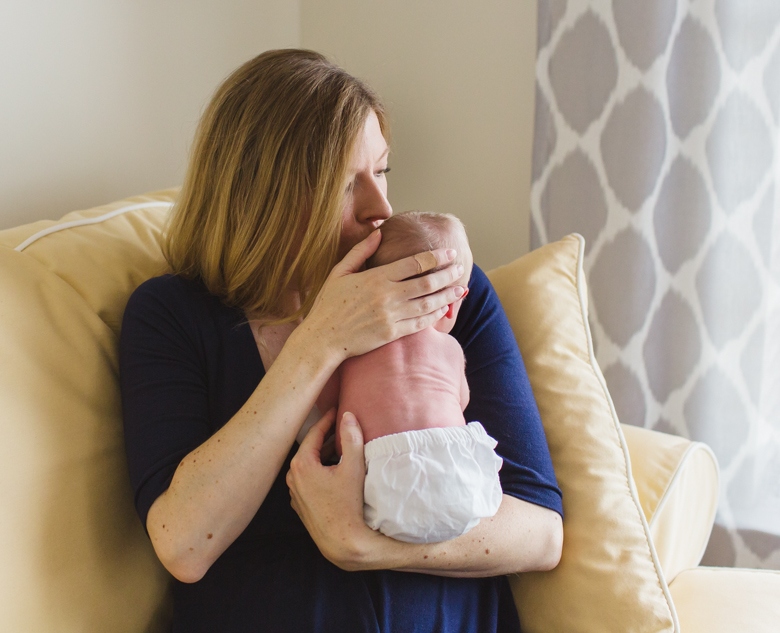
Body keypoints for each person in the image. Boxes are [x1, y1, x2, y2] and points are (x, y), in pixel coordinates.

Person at [120, 49, 563, 632]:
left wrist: (366, 545)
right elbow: (184, 545)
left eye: (380, 171)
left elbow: (540, 533)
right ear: (261, 197)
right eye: (343, 184)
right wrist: (320, 342)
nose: (381, 208)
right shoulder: (171, 315)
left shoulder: (439, 291)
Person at [313, 211, 503, 545]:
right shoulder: (450, 348)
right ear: (450, 306)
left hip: (379, 474)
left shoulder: (352, 348)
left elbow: (327, 403)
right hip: (457, 477)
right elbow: (462, 401)